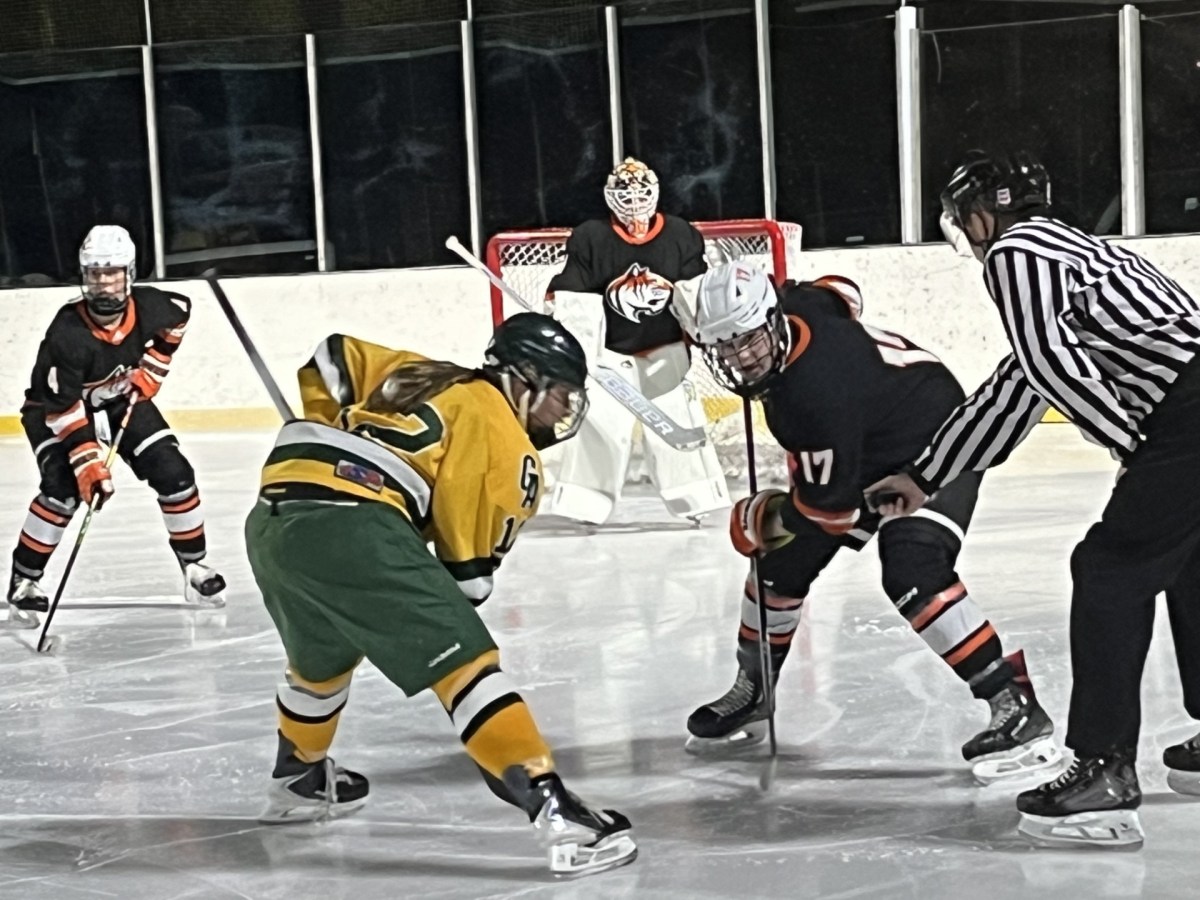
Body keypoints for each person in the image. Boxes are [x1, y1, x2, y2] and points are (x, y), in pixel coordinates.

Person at [868, 150, 1200, 847]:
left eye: (964, 214)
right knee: (1187, 563)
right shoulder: (1070, 250)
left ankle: (1104, 773)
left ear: (989, 209)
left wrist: (1128, 447)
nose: (965, 229)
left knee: (1109, 570)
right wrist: (927, 475)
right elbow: (1020, 384)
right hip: (1187, 408)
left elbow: (1049, 366)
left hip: (1186, 416)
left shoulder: (1017, 252)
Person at [243, 314, 637, 878]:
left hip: (273, 517)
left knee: (320, 661)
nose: (560, 413)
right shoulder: (507, 441)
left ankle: (298, 778)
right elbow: (468, 581)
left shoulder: (427, 373)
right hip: (353, 524)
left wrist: (332, 433)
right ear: (523, 382)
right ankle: (557, 813)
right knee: (468, 668)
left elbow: (332, 356)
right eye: (559, 396)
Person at [672, 260, 1060, 784]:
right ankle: (755, 687)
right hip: (870, 435)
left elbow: (828, 513)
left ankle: (1015, 707)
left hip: (935, 442)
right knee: (778, 567)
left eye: (750, 340)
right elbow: (842, 292)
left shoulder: (808, 397)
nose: (742, 359)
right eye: (726, 347)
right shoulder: (797, 307)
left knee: (913, 571)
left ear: (771, 319)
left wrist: (763, 518)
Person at [6, 225, 225, 628]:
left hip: (119, 398)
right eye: (94, 274)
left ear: (130, 273)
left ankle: (195, 569)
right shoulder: (67, 332)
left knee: (175, 475)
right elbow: (62, 408)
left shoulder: (155, 306)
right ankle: (25, 582)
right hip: (54, 410)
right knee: (64, 488)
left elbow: (178, 318)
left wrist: (153, 370)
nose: (103, 284)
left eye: (112, 273)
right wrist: (87, 463)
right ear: (83, 276)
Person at [540, 157, 729, 525]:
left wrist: (707, 327)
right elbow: (575, 292)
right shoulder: (590, 237)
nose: (634, 203)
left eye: (642, 193)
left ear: (655, 193)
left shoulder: (680, 234)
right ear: (610, 197)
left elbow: (693, 290)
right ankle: (585, 505)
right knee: (599, 425)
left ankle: (696, 497)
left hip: (666, 352)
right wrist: (560, 309)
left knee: (678, 416)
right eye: (625, 195)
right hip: (612, 358)